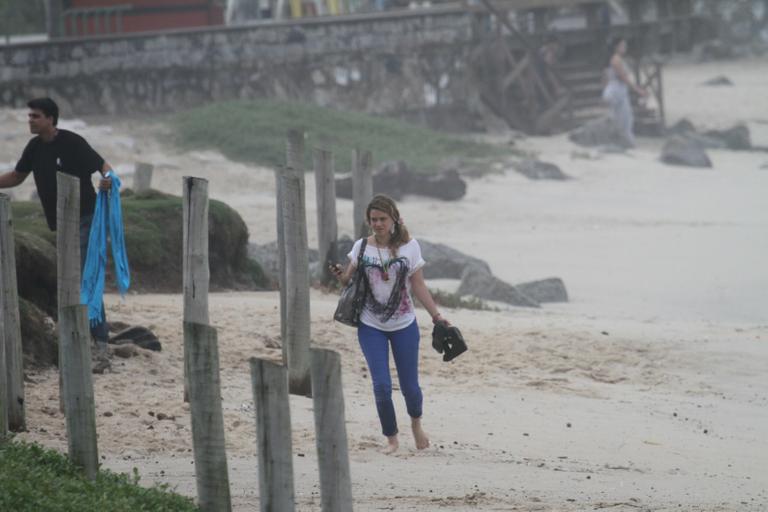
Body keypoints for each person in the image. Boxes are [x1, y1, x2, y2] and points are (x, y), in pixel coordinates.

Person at [0, 97, 114, 363]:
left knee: (84, 278)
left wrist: (108, 181)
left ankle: (100, 343)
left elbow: (104, 168)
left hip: (86, 218)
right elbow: (17, 176)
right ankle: (81, 336)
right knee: (71, 279)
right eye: (29, 116)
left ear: (51, 119)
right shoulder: (34, 147)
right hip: (62, 224)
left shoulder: (72, 142)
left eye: (35, 116)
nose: (30, 120)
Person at [331, 194, 447, 454]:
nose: (378, 224)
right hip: (370, 324)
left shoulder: (410, 247)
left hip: (404, 324)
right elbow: (347, 281)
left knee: (410, 388)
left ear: (394, 218)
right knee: (381, 386)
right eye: (373, 219)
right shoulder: (361, 247)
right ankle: (392, 438)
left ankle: (416, 424)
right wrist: (340, 275)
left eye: (382, 219)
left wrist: (436, 316)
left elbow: (418, 285)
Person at [602, 37, 647, 147]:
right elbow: (623, 78)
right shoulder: (616, 60)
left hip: (615, 90)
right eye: (622, 45)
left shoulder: (614, 59)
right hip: (617, 91)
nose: (625, 48)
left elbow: (605, 78)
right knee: (626, 119)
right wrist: (638, 90)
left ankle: (619, 142)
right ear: (616, 47)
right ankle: (627, 143)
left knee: (619, 117)